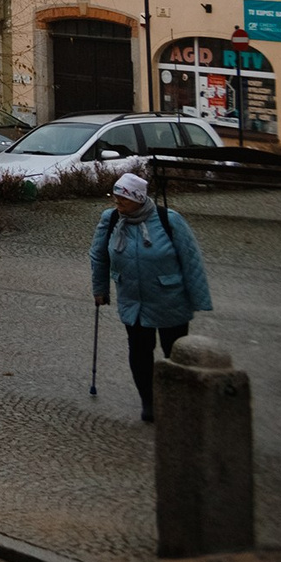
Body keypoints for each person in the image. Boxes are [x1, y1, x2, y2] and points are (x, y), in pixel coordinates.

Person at [92, 172, 214, 423]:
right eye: (115, 198)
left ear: (137, 198)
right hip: (132, 298)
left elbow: (191, 261)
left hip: (170, 297)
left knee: (176, 352)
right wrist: (100, 289)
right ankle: (149, 401)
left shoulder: (169, 220)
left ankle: (179, 398)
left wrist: (200, 299)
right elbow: (98, 256)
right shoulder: (111, 219)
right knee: (139, 350)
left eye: (122, 199)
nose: (117, 203)